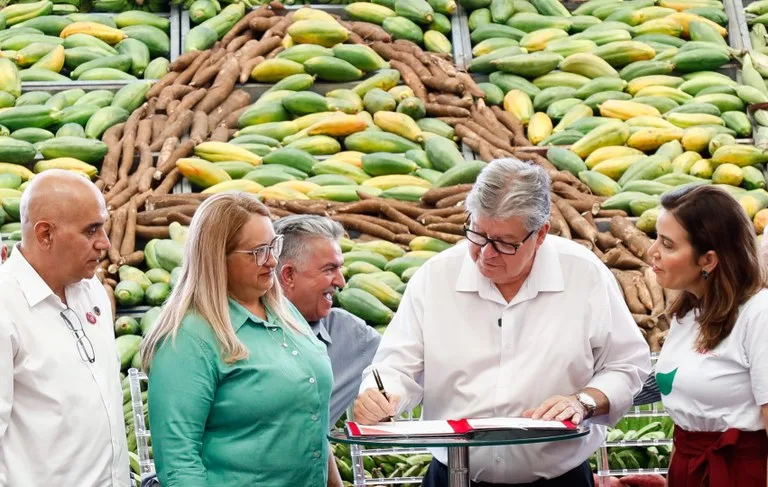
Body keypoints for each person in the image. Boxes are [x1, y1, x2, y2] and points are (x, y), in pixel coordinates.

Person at [353, 158, 651, 487]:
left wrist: (583, 401)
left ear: (540, 235)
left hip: (559, 479)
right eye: (477, 235)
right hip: (453, 475)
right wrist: (380, 397)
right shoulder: (435, 277)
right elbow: (396, 365)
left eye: (505, 243)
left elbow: (627, 366)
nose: (486, 253)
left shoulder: (584, 274)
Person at [141, 192, 342, 487]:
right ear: (216, 258)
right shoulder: (187, 340)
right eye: (258, 251)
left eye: (274, 245)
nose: (273, 260)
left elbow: (310, 420)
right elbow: (179, 463)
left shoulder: (285, 312)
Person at [0, 170, 129, 486]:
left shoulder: (92, 290)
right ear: (45, 234)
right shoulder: (7, 308)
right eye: (91, 231)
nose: (105, 243)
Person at [649, 185, 768, 486]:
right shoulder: (688, 313)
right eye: (656, 239)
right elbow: (688, 425)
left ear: (708, 260)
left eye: (667, 245)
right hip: (690, 471)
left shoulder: (759, 316)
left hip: (741, 474)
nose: (653, 252)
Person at [274, 215, 381, 425]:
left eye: (340, 268)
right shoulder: (237, 335)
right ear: (288, 276)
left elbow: (408, 363)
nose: (341, 281)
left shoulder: (352, 336)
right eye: (329, 269)